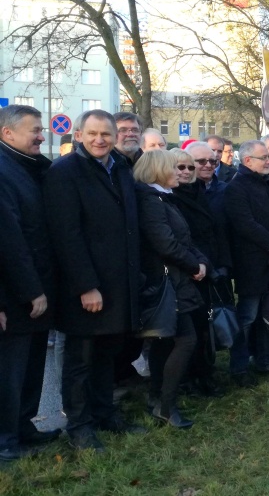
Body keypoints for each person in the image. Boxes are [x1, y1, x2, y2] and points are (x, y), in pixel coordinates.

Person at [44, 110, 145, 451]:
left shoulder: (120, 168)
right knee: (81, 361)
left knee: (106, 356)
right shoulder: (65, 172)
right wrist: (86, 286)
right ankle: (79, 427)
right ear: (79, 134)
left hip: (118, 283)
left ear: (115, 136)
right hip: (87, 288)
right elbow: (66, 235)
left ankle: (105, 414)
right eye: (93, 134)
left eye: (106, 134)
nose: (100, 139)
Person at [0, 105, 60, 462]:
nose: (41, 135)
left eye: (41, 130)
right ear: (8, 134)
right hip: (16, 295)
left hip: (38, 290)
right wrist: (29, 290)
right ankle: (4, 439)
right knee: (9, 370)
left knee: (33, 364)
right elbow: (9, 240)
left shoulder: (31, 168)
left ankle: (23, 427)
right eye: (34, 130)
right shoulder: (4, 172)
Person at [133, 150, 208, 429]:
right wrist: (194, 265)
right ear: (158, 171)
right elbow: (165, 244)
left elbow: (183, 239)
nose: (180, 172)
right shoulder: (152, 201)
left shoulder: (162, 198)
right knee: (184, 339)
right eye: (173, 168)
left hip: (176, 279)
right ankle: (166, 405)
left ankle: (157, 398)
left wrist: (201, 261)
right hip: (168, 282)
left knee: (166, 341)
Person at [224, 140, 269, 386]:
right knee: (247, 317)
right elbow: (245, 224)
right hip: (251, 264)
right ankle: (239, 368)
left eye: (268, 156)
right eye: (263, 157)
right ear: (247, 161)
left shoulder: (267, 183)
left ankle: (266, 361)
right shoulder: (236, 187)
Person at [168, 148, 230, 398]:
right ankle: (187, 379)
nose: (186, 171)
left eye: (190, 168)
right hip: (186, 272)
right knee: (188, 331)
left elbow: (216, 230)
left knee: (205, 326)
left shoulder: (198, 192)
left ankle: (204, 374)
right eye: (181, 167)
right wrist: (196, 265)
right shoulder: (169, 196)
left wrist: (220, 264)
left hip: (207, 269)